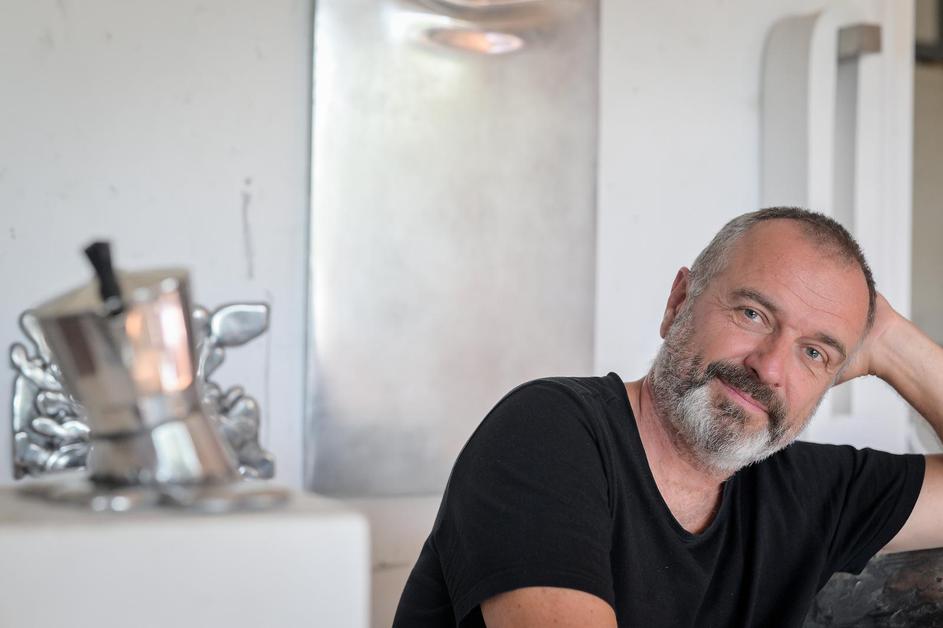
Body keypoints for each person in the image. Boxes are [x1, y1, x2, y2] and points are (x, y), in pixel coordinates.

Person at [392, 207, 943, 627]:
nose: (771, 367)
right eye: (753, 314)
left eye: (815, 352)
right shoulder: (548, 432)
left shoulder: (806, 491)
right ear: (679, 302)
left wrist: (891, 343)